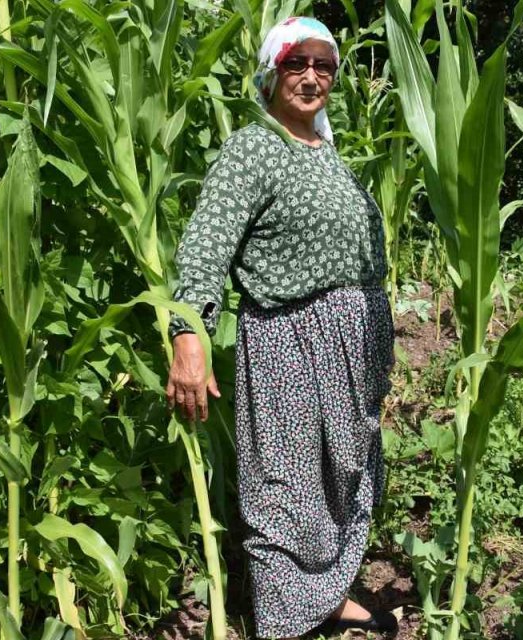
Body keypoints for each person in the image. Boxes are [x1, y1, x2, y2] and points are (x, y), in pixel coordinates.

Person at [165, 16, 399, 640]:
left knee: (343, 472)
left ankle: (324, 598)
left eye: (324, 65)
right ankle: (284, 622)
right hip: (291, 341)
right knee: (286, 484)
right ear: (271, 73)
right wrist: (188, 337)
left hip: (353, 343)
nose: (312, 76)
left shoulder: (327, 152)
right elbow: (205, 246)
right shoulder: (255, 148)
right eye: (297, 63)